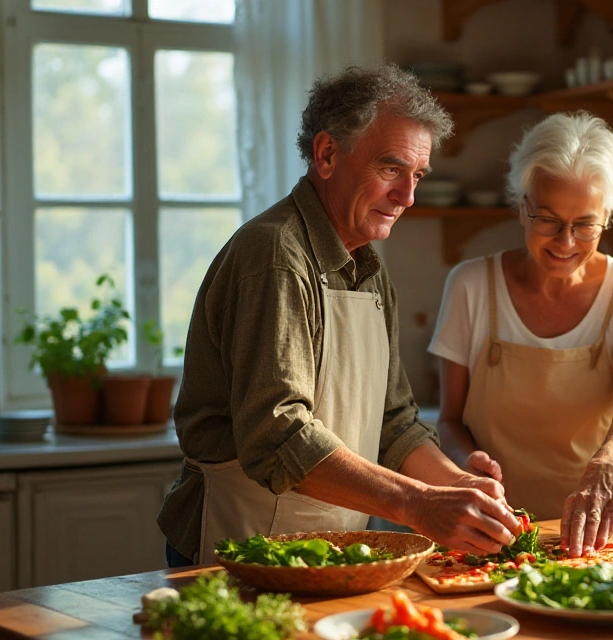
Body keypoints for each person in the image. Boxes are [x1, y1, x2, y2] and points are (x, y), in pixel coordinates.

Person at [157, 65, 520, 567]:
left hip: (331, 550)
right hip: (238, 544)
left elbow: (394, 425)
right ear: (327, 155)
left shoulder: (369, 269)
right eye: (391, 169)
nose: (407, 197)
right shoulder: (275, 255)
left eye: (417, 176)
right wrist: (418, 503)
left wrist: (457, 484)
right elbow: (278, 436)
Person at [428, 113, 613, 558]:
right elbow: (449, 420)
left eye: (585, 224)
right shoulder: (471, 285)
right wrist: (466, 468)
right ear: (521, 205)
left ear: (607, 217)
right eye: (548, 220)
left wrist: (606, 465)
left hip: (600, 530)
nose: (566, 241)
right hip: (492, 529)